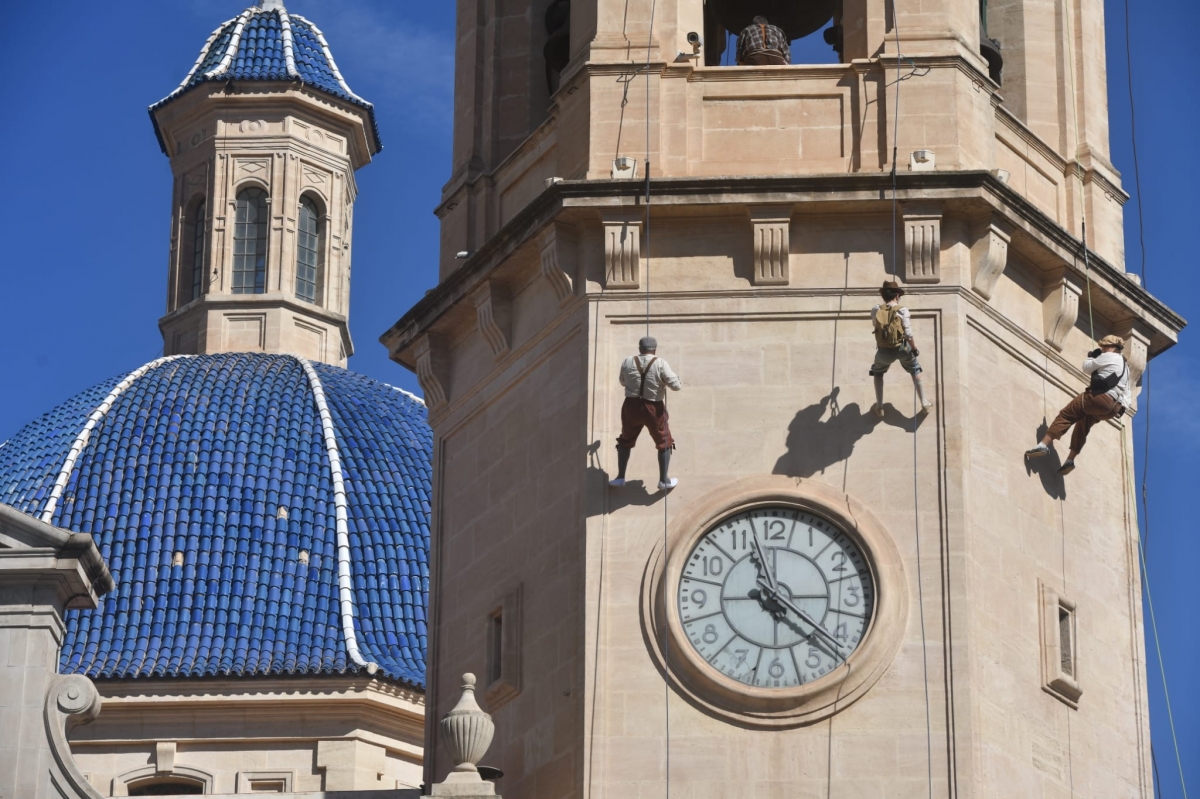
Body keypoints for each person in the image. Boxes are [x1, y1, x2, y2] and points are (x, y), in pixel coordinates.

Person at [1026, 334, 1131, 475]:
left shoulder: (1110, 356)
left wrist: (1092, 356)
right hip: (1113, 409)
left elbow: (1087, 367)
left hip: (1099, 398)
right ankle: (1070, 459)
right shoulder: (1126, 368)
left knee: (1067, 414)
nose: (1102, 349)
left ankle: (1043, 445)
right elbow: (1127, 394)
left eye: (1104, 346)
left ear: (1112, 347)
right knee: (1083, 424)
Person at [610, 336, 682, 490]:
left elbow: (623, 381)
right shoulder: (660, 363)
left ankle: (620, 477)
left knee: (625, 439)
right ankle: (664, 480)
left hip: (631, 405)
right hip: (653, 407)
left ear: (639, 348)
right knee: (664, 440)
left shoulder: (627, 361)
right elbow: (676, 386)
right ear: (654, 349)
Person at [869, 281, 933, 416]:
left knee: (878, 372)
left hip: (884, 350)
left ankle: (879, 407)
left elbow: (875, 325)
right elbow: (908, 334)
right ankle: (925, 403)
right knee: (915, 369)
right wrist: (914, 348)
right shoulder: (902, 310)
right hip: (902, 348)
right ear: (897, 295)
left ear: (883, 296)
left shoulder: (876, 309)